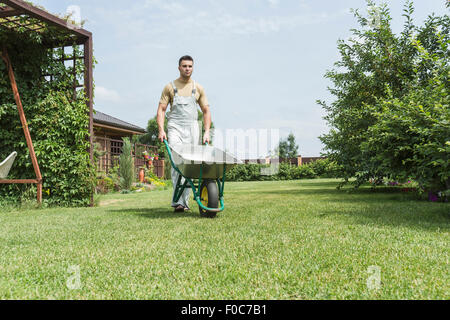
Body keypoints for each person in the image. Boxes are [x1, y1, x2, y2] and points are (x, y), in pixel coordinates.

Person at [157, 55, 212, 212]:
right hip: (175, 127)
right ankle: (178, 203)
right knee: (177, 165)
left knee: (190, 164)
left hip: (193, 128)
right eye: (184, 66)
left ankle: (184, 202)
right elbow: (161, 110)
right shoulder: (170, 87)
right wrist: (162, 129)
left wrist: (206, 132)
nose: (187, 69)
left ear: (193, 68)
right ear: (179, 67)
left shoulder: (198, 88)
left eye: (190, 66)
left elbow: (206, 111)